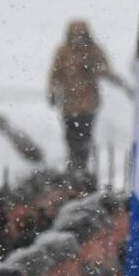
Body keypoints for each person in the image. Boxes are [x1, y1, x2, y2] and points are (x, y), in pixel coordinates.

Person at [48, 21, 117, 173]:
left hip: (88, 103)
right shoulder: (63, 51)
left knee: (85, 136)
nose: (78, 37)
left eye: (81, 33)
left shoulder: (94, 50)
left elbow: (106, 70)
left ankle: (82, 165)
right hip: (68, 103)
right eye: (75, 33)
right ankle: (73, 163)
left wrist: (92, 68)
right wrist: (52, 92)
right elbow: (54, 74)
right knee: (70, 136)